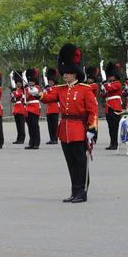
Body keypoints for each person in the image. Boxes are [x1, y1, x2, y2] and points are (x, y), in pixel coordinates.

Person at [29, 43, 98, 203]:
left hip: (79, 129)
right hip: (65, 130)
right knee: (71, 163)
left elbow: (93, 111)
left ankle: (82, 191)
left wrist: (92, 129)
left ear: (75, 73)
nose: (64, 75)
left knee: (81, 162)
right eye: (64, 73)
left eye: (67, 73)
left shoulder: (84, 89)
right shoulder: (60, 89)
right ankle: (74, 190)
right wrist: (37, 94)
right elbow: (48, 98)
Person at [100, 62, 122, 150]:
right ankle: (112, 143)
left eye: (111, 76)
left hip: (115, 106)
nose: (109, 77)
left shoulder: (117, 83)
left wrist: (105, 83)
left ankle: (116, 143)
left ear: (115, 76)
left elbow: (111, 88)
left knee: (116, 126)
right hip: (108, 107)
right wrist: (102, 90)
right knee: (110, 127)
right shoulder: (109, 84)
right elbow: (103, 96)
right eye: (109, 76)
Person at [25, 68, 41, 149]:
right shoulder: (27, 88)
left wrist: (29, 89)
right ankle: (31, 142)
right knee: (30, 127)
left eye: (31, 81)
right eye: (29, 81)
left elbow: (34, 93)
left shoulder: (37, 87)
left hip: (34, 109)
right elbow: (26, 98)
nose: (30, 82)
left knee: (35, 126)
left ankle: (36, 143)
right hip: (28, 109)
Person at [44, 68, 59, 145]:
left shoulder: (56, 88)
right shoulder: (48, 88)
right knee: (50, 125)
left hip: (55, 109)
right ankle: (51, 138)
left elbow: (52, 95)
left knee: (55, 125)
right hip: (49, 109)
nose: (50, 81)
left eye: (51, 80)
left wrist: (47, 88)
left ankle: (55, 139)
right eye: (49, 80)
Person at [11, 71, 26, 144]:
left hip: (21, 109)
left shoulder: (22, 90)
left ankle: (22, 138)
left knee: (21, 125)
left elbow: (17, 96)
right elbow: (13, 99)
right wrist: (12, 93)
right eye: (17, 82)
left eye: (19, 82)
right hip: (16, 109)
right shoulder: (17, 89)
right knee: (18, 126)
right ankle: (18, 138)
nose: (17, 83)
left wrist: (13, 92)